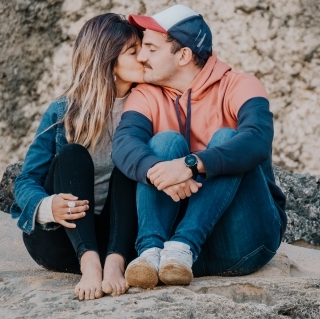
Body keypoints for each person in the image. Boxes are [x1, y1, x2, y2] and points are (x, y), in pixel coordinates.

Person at [112, 4, 287, 289]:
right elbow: (124, 142)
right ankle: (149, 252)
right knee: (164, 143)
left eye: (152, 49)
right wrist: (159, 170)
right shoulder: (146, 93)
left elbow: (257, 139)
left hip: (242, 242)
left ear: (183, 55)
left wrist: (190, 165)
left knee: (228, 139)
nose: (141, 57)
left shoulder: (241, 84)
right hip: (166, 259)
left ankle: (185, 243)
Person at [11, 13, 144, 300]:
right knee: (72, 154)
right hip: (64, 240)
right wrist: (49, 206)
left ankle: (113, 263)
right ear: (109, 63)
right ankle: (90, 263)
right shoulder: (63, 111)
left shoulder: (149, 107)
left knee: (132, 159)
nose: (144, 57)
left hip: (119, 238)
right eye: (133, 52)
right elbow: (25, 181)